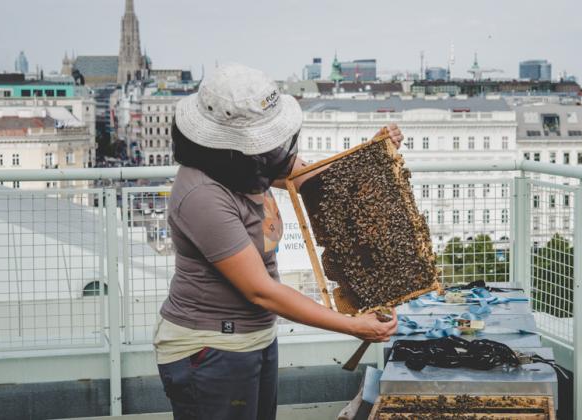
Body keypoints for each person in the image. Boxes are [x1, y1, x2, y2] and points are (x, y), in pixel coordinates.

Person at [153, 63, 402, 420]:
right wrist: (351, 325)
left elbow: (317, 180)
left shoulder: (248, 161)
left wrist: (373, 155)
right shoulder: (202, 194)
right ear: (232, 145)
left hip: (254, 339)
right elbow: (261, 291)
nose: (274, 149)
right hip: (209, 349)